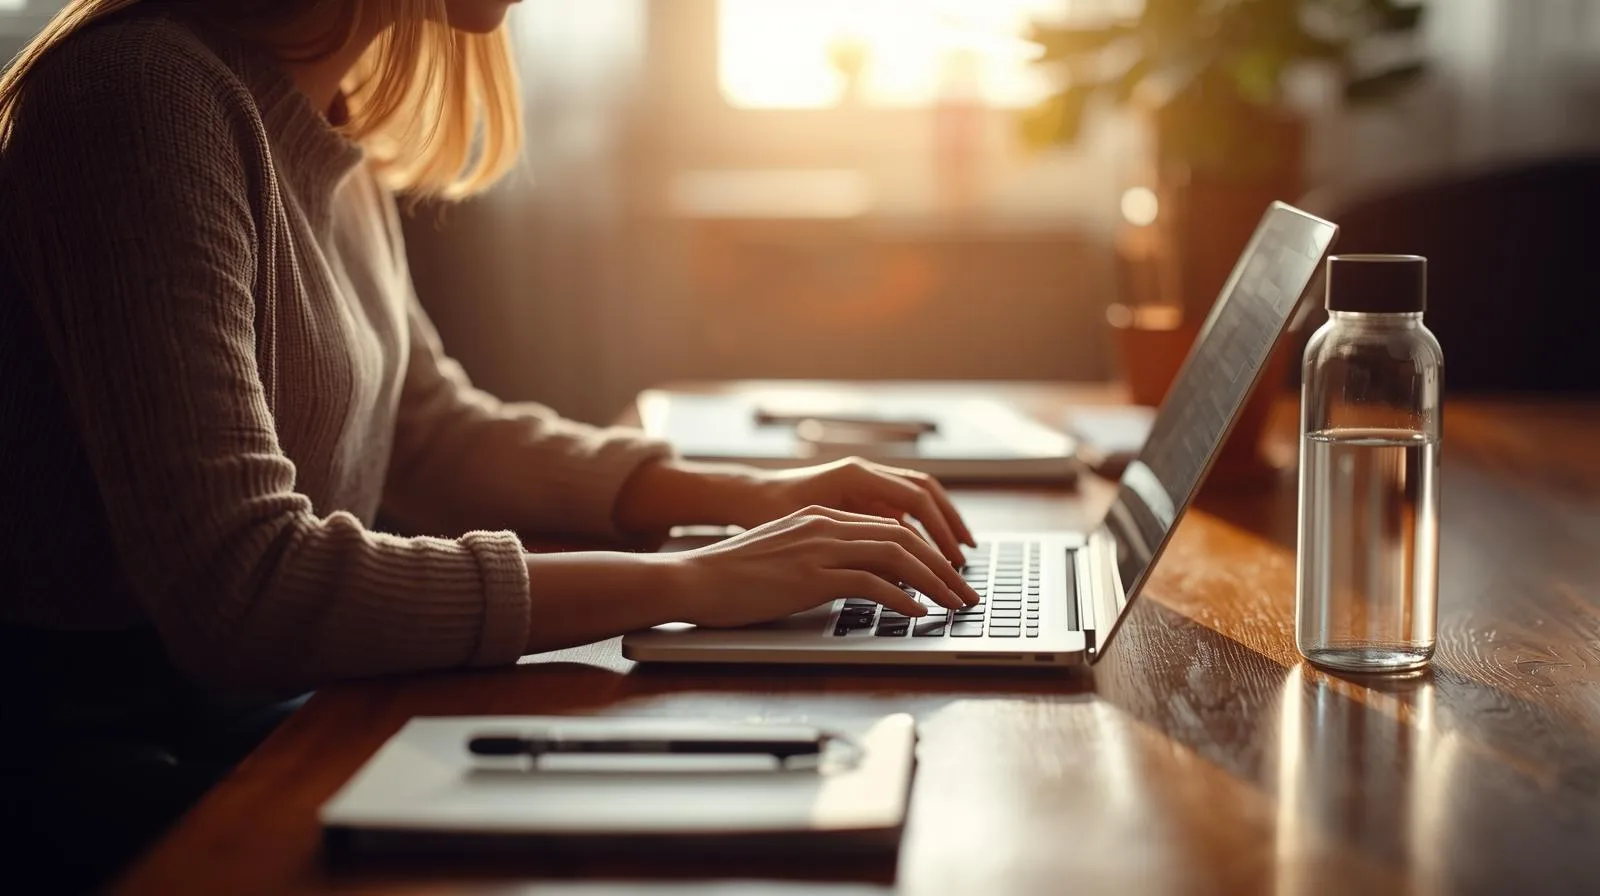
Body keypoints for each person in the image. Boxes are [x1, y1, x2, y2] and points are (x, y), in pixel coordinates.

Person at [0, 0, 981, 886]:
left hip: (261, 708)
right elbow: (243, 590)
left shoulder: (307, 113)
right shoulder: (140, 99)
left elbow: (426, 431)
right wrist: (693, 583)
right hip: (109, 761)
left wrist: (739, 497)